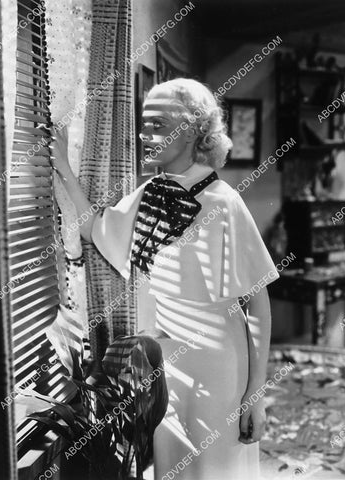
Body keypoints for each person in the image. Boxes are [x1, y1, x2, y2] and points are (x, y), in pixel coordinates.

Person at [50, 78, 279, 480]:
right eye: (143, 123)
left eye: (158, 124)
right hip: (167, 361)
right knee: (173, 465)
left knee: (217, 468)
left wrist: (254, 395)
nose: (144, 134)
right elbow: (95, 230)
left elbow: (257, 303)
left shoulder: (225, 202)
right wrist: (64, 168)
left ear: (192, 130)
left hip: (222, 364)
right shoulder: (151, 192)